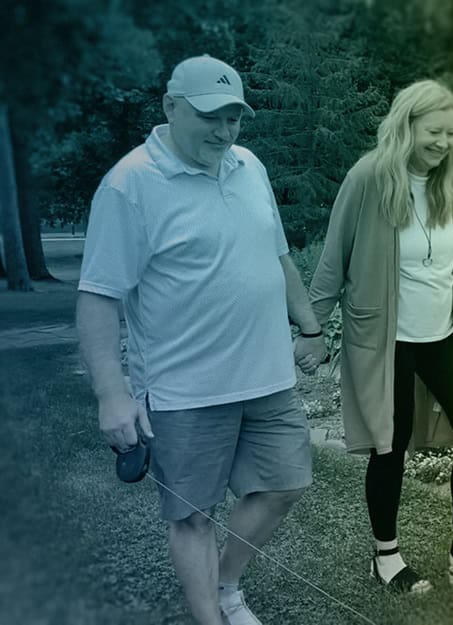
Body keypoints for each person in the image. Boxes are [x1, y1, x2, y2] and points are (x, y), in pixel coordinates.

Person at [76, 55, 327, 625]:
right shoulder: (129, 185)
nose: (224, 130)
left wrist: (310, 326)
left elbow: (278, 256)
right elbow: (98, 297)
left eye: (234, 117)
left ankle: (226, 584)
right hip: (184, 389)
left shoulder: (249, 165)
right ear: (170, 107)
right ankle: (212, 617)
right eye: (210, 116)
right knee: (192, 517)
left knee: (286, 484)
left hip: (268, 378)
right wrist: (111, 395)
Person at [302, 80, 453, 596]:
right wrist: (311, 328)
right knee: (390, 444)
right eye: (434, 132)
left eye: (450, 134)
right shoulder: (370, 177)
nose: (444, 143)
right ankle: (386, 556)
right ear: (407, 125)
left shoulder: (447, 183)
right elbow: (334, 256)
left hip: (441, 332)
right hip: (385, 337)